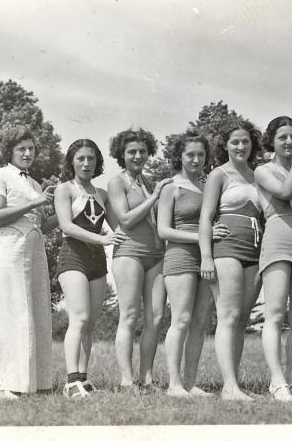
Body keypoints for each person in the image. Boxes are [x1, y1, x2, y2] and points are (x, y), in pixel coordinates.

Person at [0, 127, 59, 400]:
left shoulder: (35, 184)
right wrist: (35, 203)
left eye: (31, 148)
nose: (28, 153)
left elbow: (40, 224)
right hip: (9, 251)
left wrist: (64, 211)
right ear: (10, 152)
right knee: (7, 312)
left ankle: (32, 382)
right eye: (21, 149)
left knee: (34, 311)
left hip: (34, 251)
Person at [54, 139, 126, 398]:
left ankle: (83, 379)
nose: (86, 163)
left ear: (97, 163)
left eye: (91, 159)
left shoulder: (103, 193)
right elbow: (66, 226)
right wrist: (102, 239)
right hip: (73, 256)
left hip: (97, 260)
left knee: (90, 324)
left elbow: (120, 226)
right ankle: (70, 382)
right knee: (80, 318)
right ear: (71, 161)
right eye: (81, 158)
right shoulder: (65, 189)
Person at [158, 131, 227, 397]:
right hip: (180, 256)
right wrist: (202, 236)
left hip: (207, 256)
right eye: (190, 155)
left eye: (201, 154)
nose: (196, 159)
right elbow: (164, 231)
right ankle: (174, 384)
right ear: (180, 156)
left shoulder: (209, 185)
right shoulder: (170, 187)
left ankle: (190, 382)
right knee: (182, 318)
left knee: (199, 322)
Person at [199, 120, 263, 401]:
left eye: (246, 141)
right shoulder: (218, 174)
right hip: (227, 248)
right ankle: (228, 387)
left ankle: (235, 383)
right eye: (235, 142)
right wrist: (206, 257)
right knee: (229, 315)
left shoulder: (258, 174)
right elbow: (205, 217)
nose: (241, 146)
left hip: (256, 249)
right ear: (225, 145)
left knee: (242, 319)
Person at [255, 116, 292, 402]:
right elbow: (285, 192)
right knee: (276, 314)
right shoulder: (262, 170)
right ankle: (276, 381)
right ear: (272, 141)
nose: (289, 142)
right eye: (283, 137)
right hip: (278, 239)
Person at [107, 127, 172, 390]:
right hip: (129, 253)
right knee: (130, 315)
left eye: (142, 151)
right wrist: (155, 196)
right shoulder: (117, 182)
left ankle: (146, 378)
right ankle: (126, 380)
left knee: (156, 318)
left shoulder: (147, 182)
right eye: (131, 152)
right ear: (121, 155)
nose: (137, 156)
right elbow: (125, 219)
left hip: (157, 254)